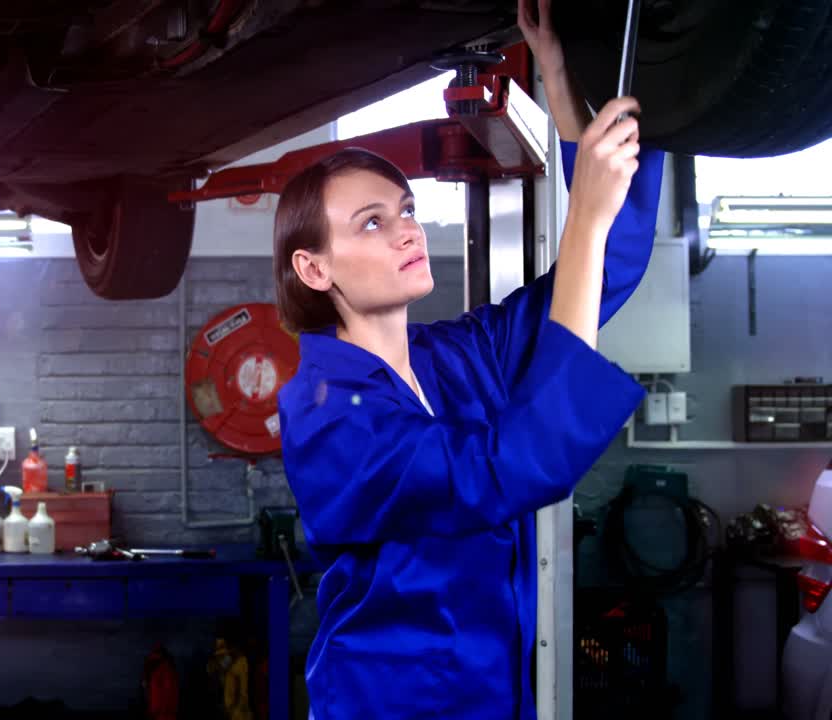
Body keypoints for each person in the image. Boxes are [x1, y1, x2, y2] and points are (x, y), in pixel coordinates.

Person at [273, 0, 664, 717]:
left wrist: (558, 71)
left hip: (494, 696)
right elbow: (507, 467)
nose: (407, 231)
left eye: (408, 208)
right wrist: (584, 216)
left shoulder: (459, 355)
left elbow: (605, 267)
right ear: (314, 269)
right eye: (372, 222)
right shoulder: (327, 419)